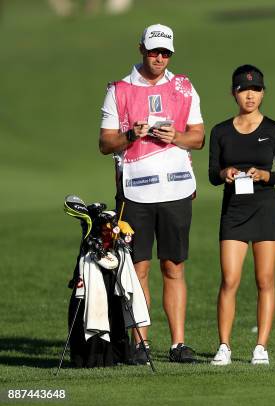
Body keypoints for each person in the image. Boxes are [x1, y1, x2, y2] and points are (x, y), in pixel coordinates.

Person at [98, 23, 204, 364]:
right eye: (154, 51)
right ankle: (140, 343)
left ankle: (177, 345)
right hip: (134, 192)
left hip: (176, 188)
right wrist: (131, 135)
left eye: (166, 52)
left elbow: (198, 138)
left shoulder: (184, 87)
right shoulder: (119, 89)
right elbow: (105, 143)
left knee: (174, 267)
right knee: (137, 269)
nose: (159, 58)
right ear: (141, 48)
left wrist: (176, 136)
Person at [208, 65, 275, 366]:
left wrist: (264, 175)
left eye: (255, 90)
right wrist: (225, 172)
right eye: (243, 89)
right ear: (234, 93)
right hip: (234, 212)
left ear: (263, 93)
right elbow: (212, 176)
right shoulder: (220, 131)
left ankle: (261, 348)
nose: (250, 95)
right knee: (229, 279)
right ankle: (224, 346)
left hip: (266, 210)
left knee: (264, 279)